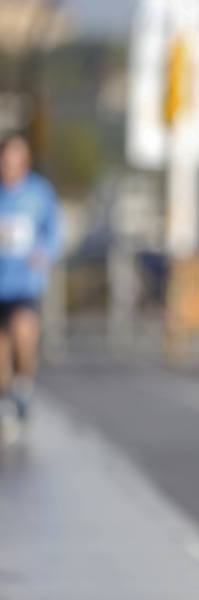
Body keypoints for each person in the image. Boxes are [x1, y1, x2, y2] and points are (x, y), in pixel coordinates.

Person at [0, 131, 60, 431]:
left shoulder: (39, 193)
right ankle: (7, 403)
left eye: (15, 156)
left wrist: (43, 252)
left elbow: (54, 234)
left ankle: (24, 387)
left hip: (24, 284)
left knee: (23, 332)